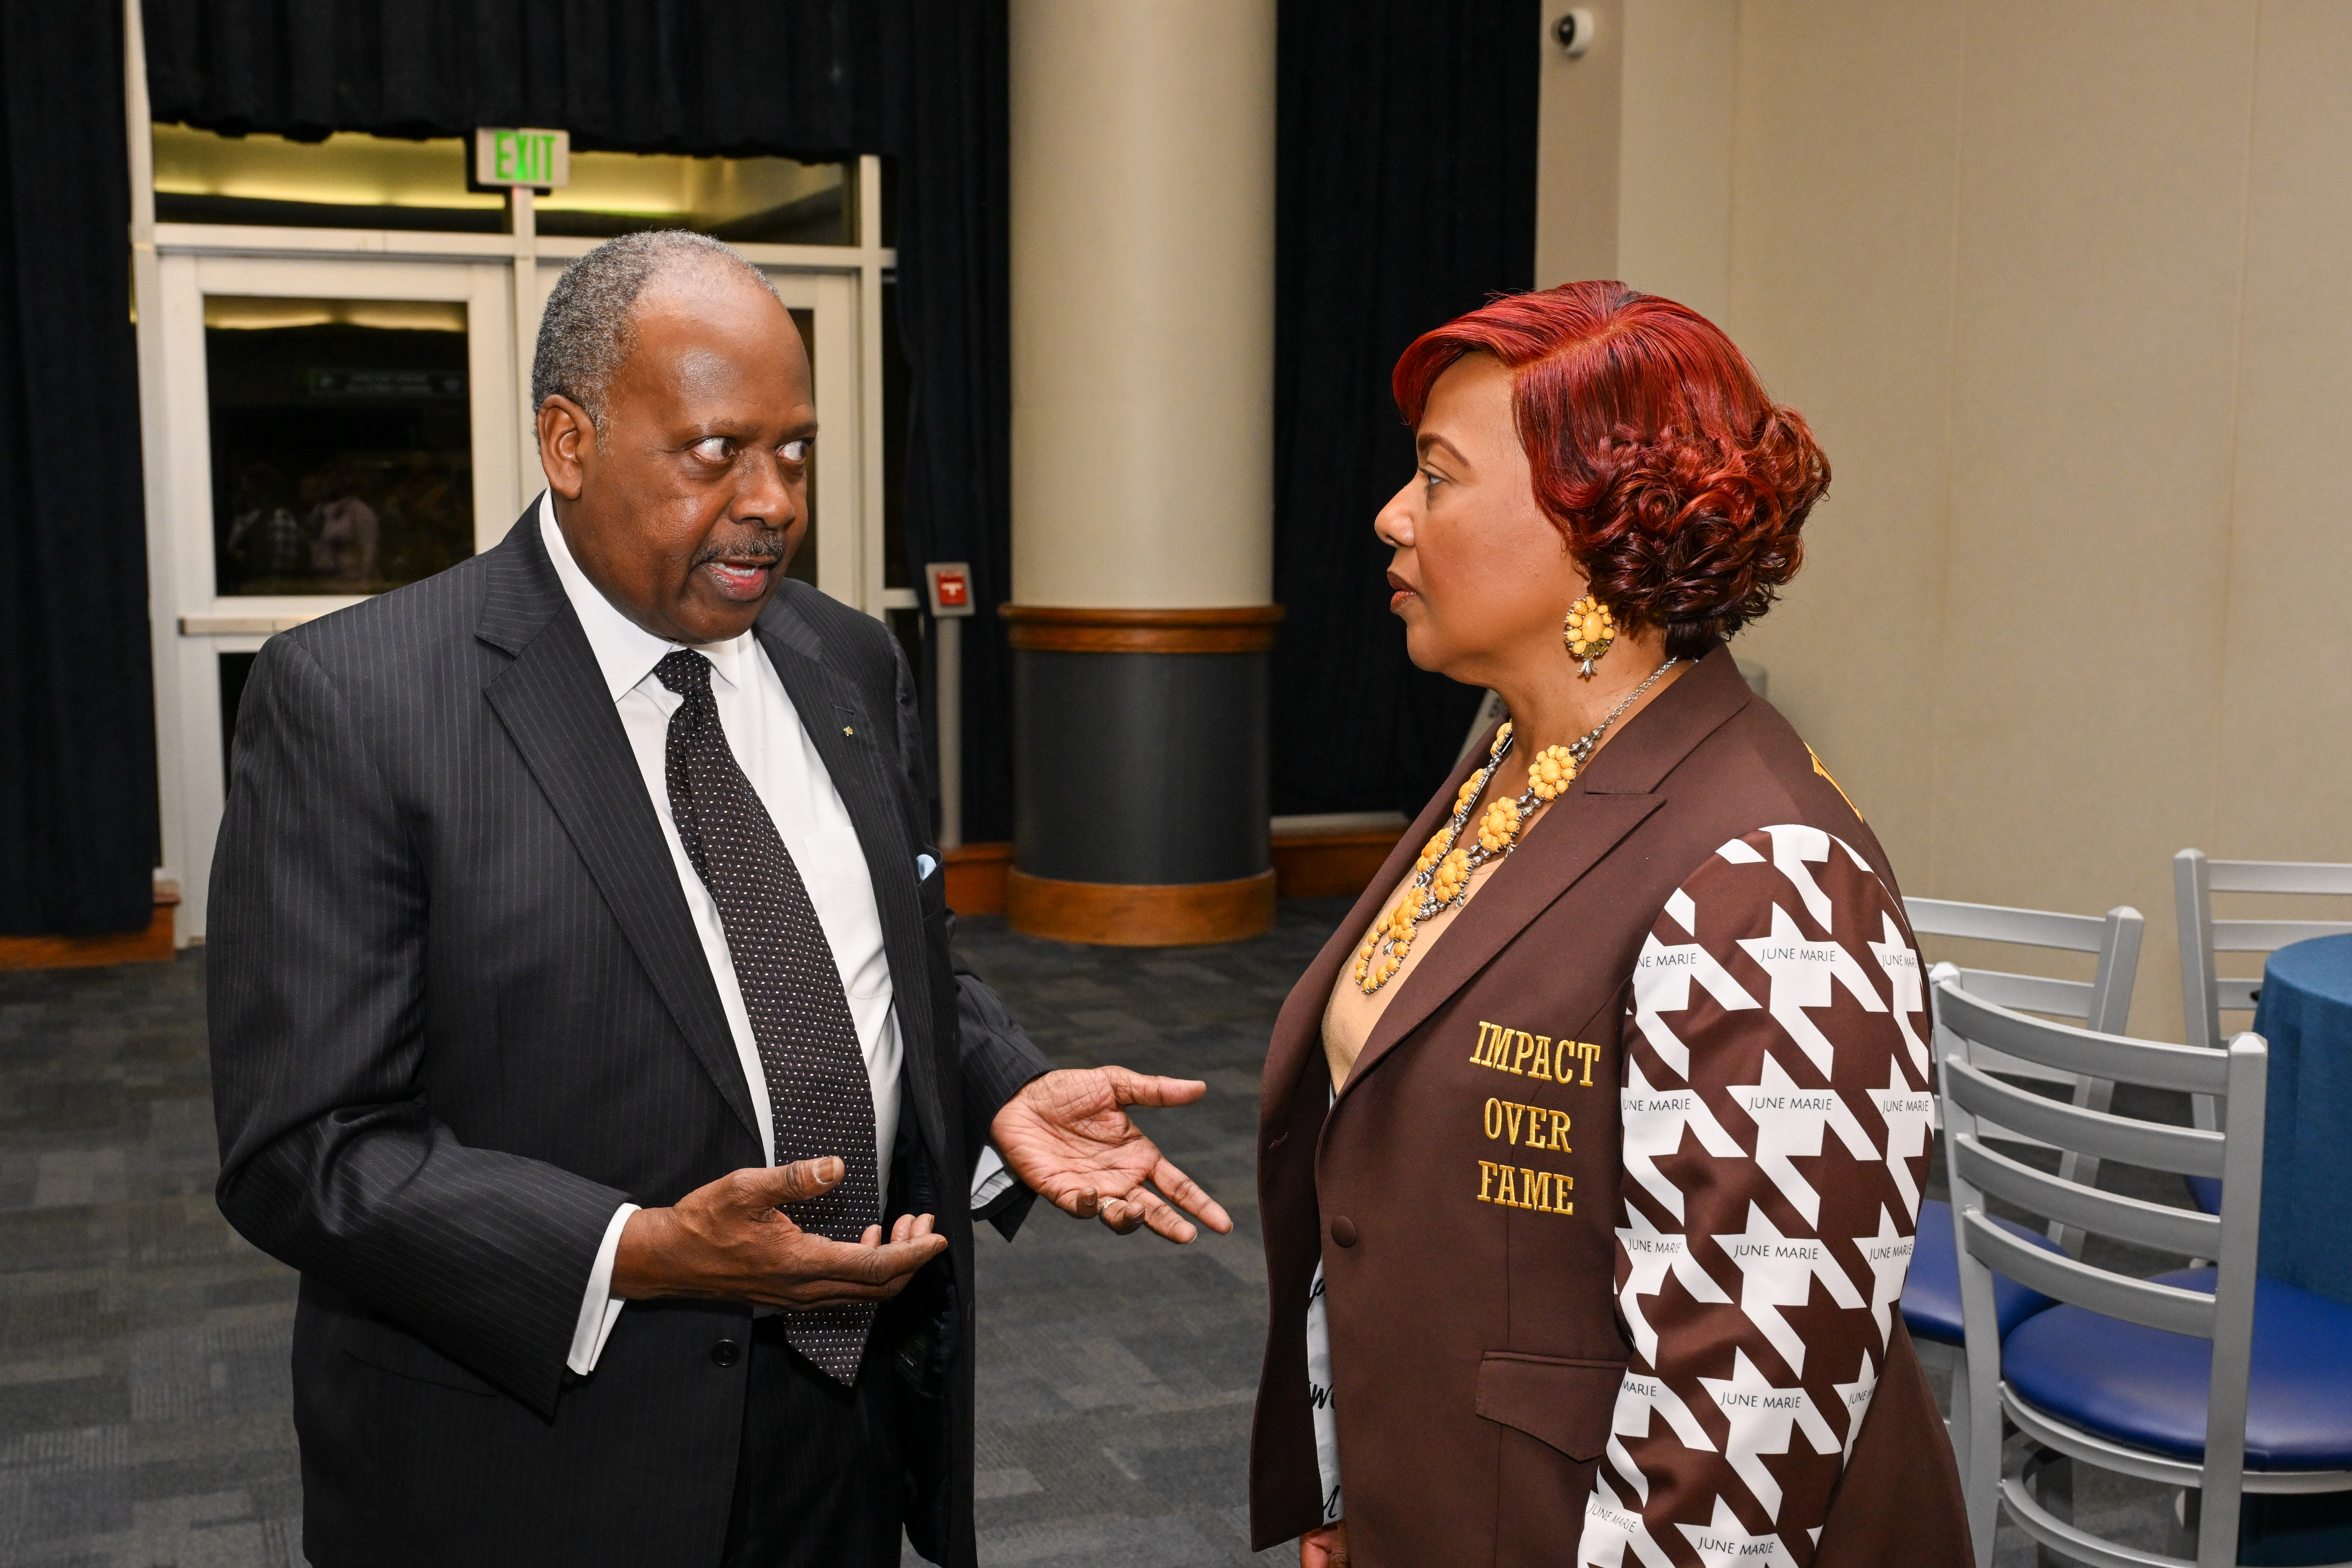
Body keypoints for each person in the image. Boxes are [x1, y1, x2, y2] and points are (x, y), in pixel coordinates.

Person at [208, 230, 1231, 1568]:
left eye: (796, 451)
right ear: (568, 443)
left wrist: (998, 1086)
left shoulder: (846, 659)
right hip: (539, 1458)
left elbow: (892, 957)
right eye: (715, 452)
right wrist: (635, 1250)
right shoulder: (358, 700)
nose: (772, 502)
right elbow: (305, 1147)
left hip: (841, 1418)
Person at [1248, 282, 1969, 1567]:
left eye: (1438, 477)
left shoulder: (1774, 875)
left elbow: (1741, 1437)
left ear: (1596, 525)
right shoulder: (1519, 756)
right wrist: (1367, 1479)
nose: (1393, 514)